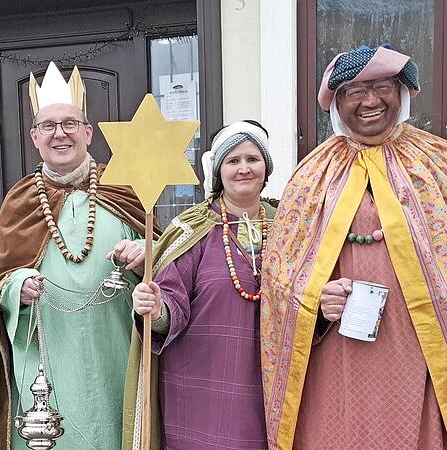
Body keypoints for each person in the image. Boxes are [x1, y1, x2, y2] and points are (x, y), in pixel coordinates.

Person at [261, 44, 447, 450]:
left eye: (382, 86)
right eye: (353, 91)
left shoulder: (436, 163)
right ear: (336, 103)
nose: (370, 101)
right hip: (337, 354)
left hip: (420, 352)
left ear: (402, 92)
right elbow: (280, 274)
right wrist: (315, 298)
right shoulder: (312, 175)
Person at [0, 61, 159, 449]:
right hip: (49, 350)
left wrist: (142, 252)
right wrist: (18, 287)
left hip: (114, 343)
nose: (59, 134)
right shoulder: (20, 200)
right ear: (34, 137)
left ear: (87, 132)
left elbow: (162, 261)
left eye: (69, 124)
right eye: (48, 126)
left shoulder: (124, 189)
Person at [130, 120, 274, 449]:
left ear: (267, 167)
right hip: (204, 387)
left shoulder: (291, 224)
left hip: (272, 381)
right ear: (218, 170)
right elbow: (170, 301)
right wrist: (157, 307)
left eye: (253, 159)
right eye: (233, 161)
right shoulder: (193, 228)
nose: (244, 169)